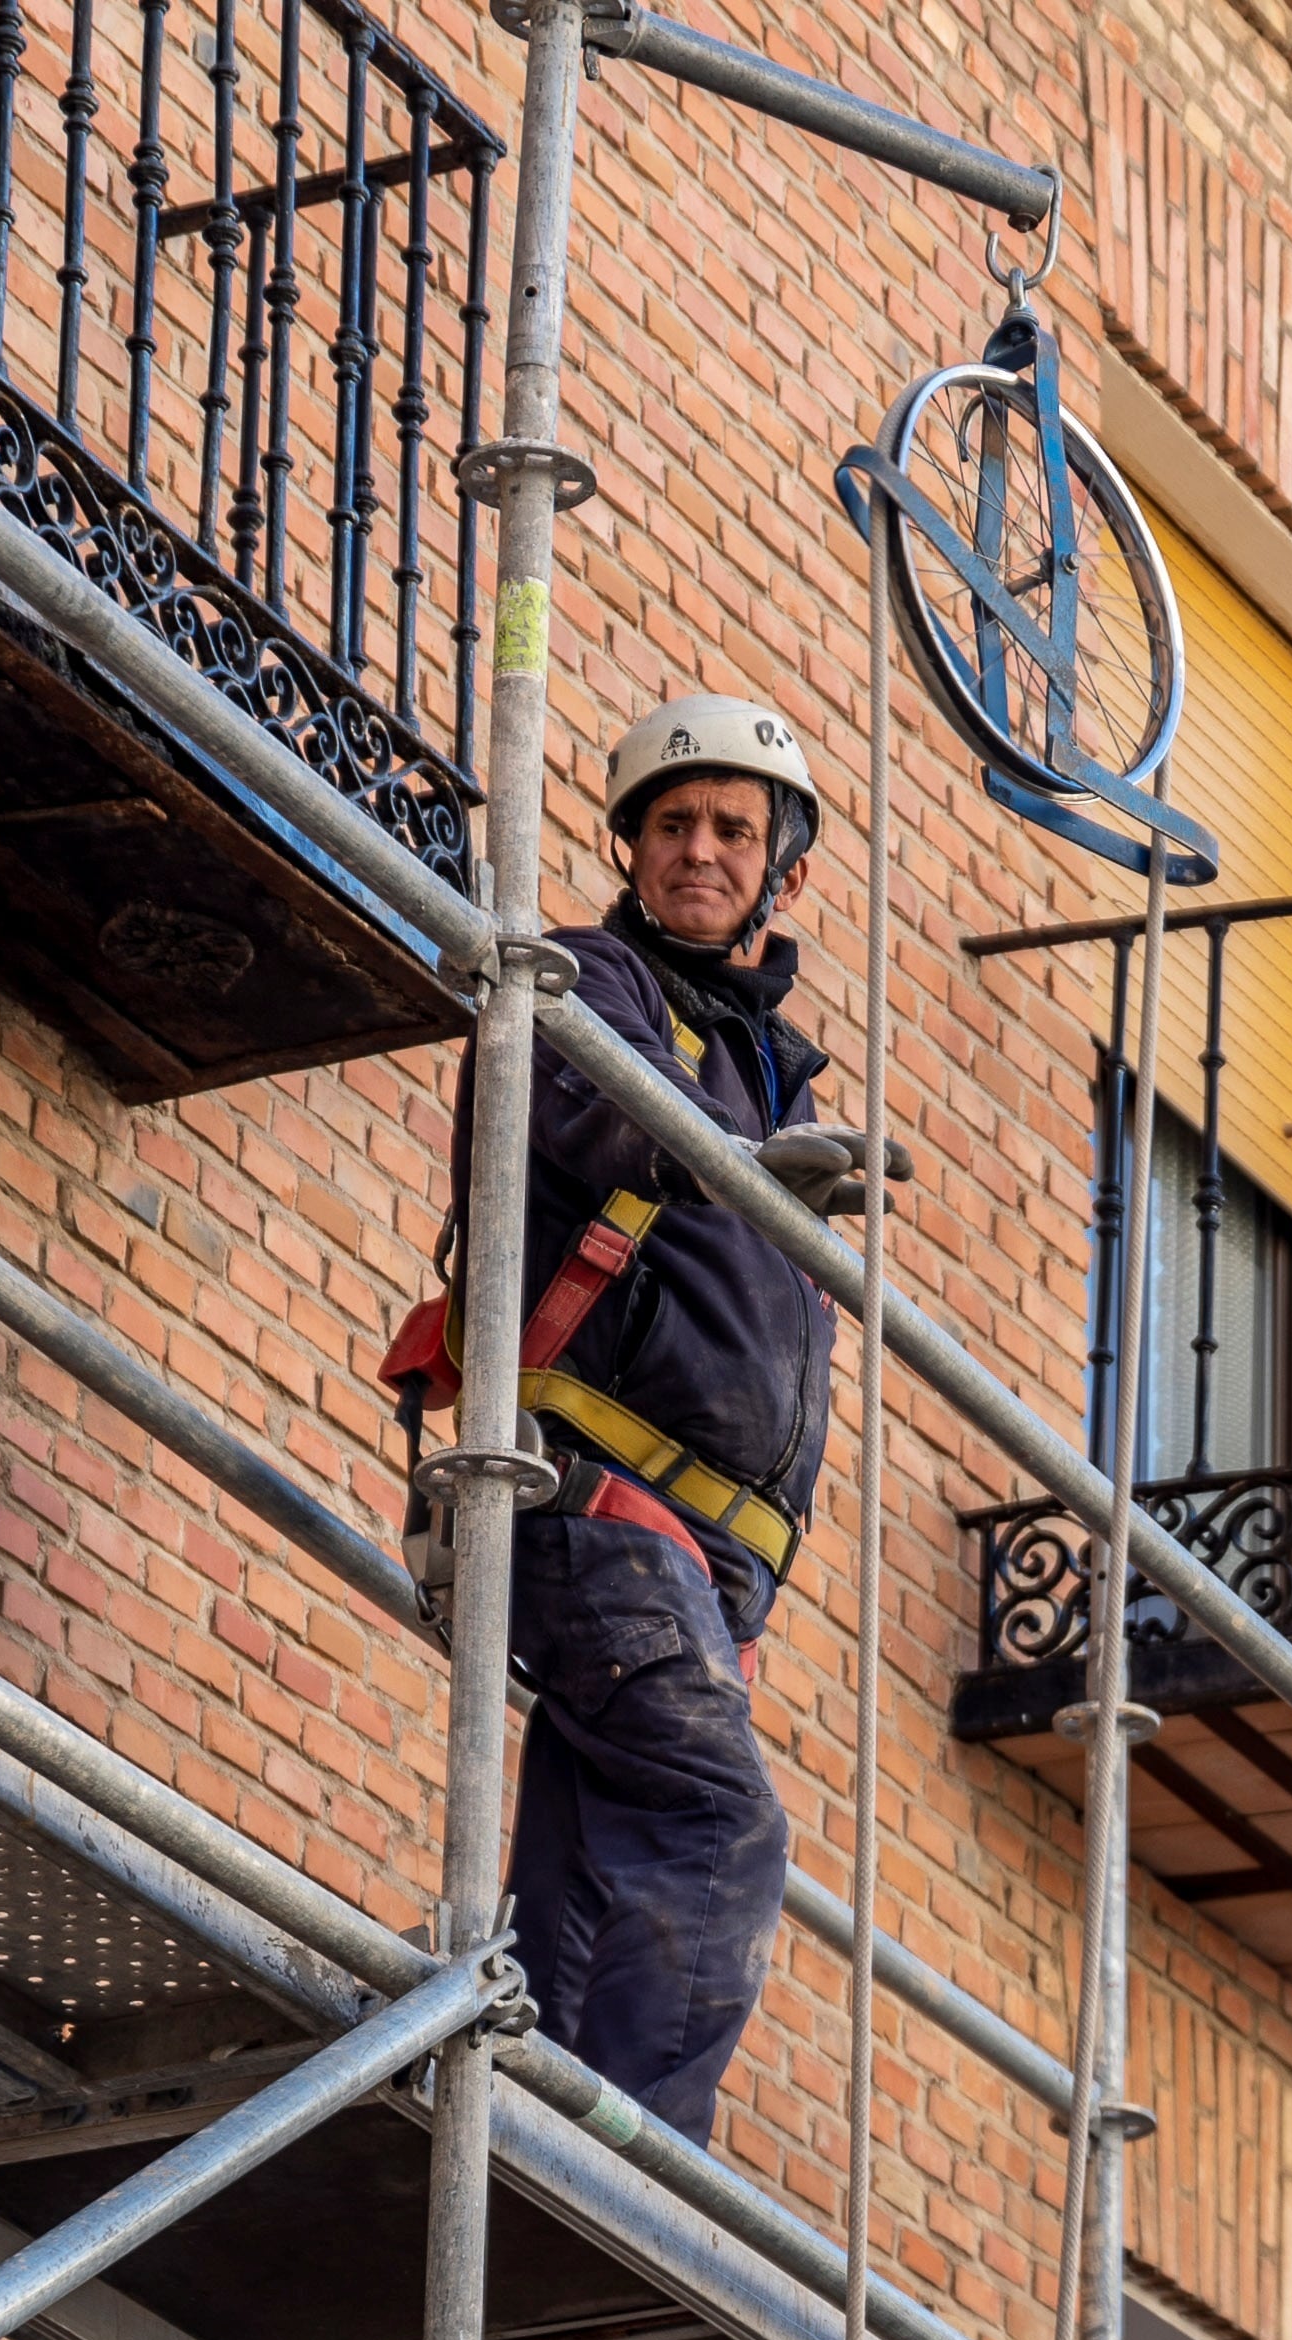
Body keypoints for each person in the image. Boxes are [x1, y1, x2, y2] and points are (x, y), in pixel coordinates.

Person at [384, 695, 895, 2139]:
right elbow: (599, 1120)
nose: (699, 850)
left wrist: (760, 1147)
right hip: (594, 1508)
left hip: (694, 1558)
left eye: (735, 829)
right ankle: (635, 2174)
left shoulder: (760, 1063)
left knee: (588, 1882)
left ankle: (521, 2127)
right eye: (672, 824)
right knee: (713, 1831)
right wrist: (739, 1161)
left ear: (784, 869)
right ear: (628, 844)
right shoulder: (588, 988)